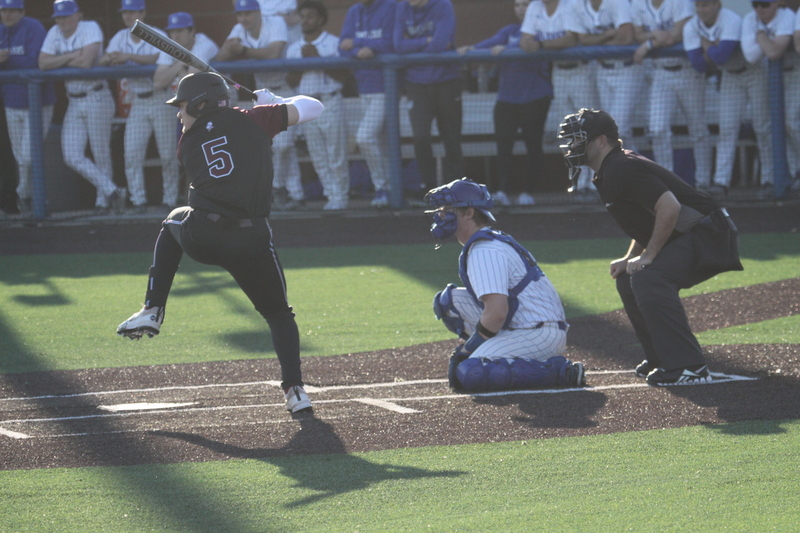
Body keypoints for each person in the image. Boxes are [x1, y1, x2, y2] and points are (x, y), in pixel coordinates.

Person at [116, 72, 324, 414]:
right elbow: (314, 107)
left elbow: (226, 133)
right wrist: (275, 104)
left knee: (172, 221)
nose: (179, 115)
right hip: (253, 239)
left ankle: (153, 309)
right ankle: (295, 391)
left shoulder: (188, 142)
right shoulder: (257, 119)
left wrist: (266, 108)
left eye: (183, 106)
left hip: (204, 237)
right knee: (279, 315)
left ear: (201, 104)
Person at [558, 108, 743, 385]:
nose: (573, 147)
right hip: (694, 232)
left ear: (601, 141)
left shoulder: (622, 166)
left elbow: (669, 207)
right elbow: (648, 221)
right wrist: (630, 257)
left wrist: (649, 256)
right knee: (628, 277)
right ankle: (662, 358)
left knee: (649, 278)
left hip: (710, 234)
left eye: (578, 139)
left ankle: (690, 367)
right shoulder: (610, 168)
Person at [426, 178, 585, 392]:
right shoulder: (484, 243)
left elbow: (497, 312)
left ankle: (559, 372)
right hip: (524, 321)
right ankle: (498, 350)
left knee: (472, 372)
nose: (441, 214)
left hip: (538, 332)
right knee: (448, 302)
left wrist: (468, 349)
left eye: (448, 208)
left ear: (469, 212)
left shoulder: (485, 250)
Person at [458, 0, 553, 207]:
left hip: (535, 96)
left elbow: (525, 46)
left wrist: (507, 48)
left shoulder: (544, 29)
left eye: (526, 5)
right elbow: (492, 42)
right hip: (507, 98)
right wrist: (472, 48)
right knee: (503, 143)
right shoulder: (510, 30)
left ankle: (529, 191)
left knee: (533, 143)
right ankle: (501, 190)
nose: (521, 9)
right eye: (518, 5)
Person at [39, 0, 125, 214]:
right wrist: (70, 56)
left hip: (96, 95)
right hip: (74, 100)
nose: (63, 21)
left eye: (67, 16)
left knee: (100, 153)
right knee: (71, 155)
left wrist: (59, 60)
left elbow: (87, 62)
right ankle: (112, 190)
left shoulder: (90, 27)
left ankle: (102, 202)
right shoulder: (54, 32)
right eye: (59, 17)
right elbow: (42, 63)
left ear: (78, 15)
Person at [217, 0, 302, 211]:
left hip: (284, 89)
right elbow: (220, 57)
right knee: (279, 146)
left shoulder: (275, 24)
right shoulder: (239, 29)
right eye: (240, 15)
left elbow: (273, 52)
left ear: (258, 12)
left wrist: (242, 49)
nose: (244, 19)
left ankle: (281, 188)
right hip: (262, 93)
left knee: (284, 145)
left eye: (248, 14)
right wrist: (231, 49)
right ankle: (294, 194)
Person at [98, 0, 176, 214]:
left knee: (168, 154)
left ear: (143, 12)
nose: (128, 16)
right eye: (125, 12)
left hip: (161, 99)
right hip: (138, 101)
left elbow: (157, 58)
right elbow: (103, 60)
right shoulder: (119, 37)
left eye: (133, 12)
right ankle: (138, 200)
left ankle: (169, 200)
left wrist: (128, 57)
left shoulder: (157, 33)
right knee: (131, 154)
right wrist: (111, 58)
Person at [683, 0, 764, 197]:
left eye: (706, 5)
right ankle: (721, 181)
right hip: (729, 75)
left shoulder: (731, 19)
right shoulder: (691, 25)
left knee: (763, 127)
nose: (702, 10)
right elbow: (699, 65)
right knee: (726, 128)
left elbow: (721, 56)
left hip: (755, 72)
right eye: (699, 6)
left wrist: (706, 44)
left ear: (717, 5)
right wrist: (714, 49)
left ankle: (770, 179)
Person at [631, 0, 712, 189]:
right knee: (657, 129)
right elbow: (637, 34)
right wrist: (654, 34)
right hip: (661, 72)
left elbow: (676, 35)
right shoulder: (637, 4)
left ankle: (703, 182)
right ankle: (667, 182)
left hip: (687, 71)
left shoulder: (680, 2)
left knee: (698, 129)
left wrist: (649, 42)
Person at [286, 0, 352, 210]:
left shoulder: (333, 43)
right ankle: (330, 195)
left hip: (330, 100)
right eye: (302, 16)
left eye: (310, 16)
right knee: (318, 157)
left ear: (321, 20)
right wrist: (305, 63)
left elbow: (346, 77)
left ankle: (340, 196)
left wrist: (317, 59)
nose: (305, 20)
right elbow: (291, 81)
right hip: (306, 105)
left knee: (336, 154)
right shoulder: (294, 48)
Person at [394, 0, 463, 200]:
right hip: (416, 83)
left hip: (447, 81)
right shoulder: (402, 8)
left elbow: (440, 44)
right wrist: (425, 41)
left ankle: (455, 190)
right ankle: (429, 187)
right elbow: (398, 45)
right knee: (420, 137)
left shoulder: (443, 5)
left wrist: (414, 45)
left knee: (451, 138)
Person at [519, 0, 585, 205]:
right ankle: (578, 183)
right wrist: (530, 43)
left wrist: (539, 45)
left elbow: (571, 39)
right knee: (570, 132)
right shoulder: (534, 7)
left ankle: (593, 183)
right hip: (559, 72)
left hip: (582, 70)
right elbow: (525, 39)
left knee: (587, 129)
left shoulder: (570, 5)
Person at [152, 12, 219, 208]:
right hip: (188, 109)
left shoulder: (203, 44)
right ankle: (184, 200)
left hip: (214, 108)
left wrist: (174, 68)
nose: (176, 36)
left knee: (209, 154)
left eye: (180, 31)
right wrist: (181, 63)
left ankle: (211, 197)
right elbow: (157, 82)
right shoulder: (169, 46)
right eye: (172, 32)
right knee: (185, 155)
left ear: (192, 31)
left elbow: (188, 81)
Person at [568, 0, 645, 159]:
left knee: (619, 127)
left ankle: (637, 168)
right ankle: (636, 166)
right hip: (602, 71)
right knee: (611, 130)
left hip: (626, 69)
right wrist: (608, 34)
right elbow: (584, 40)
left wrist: (597, 40)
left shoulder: (617, 2)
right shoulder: (577, 5)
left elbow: (626, 37)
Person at [0, 0, 56, 215]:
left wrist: (7, 59)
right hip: (11, 102)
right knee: (21, 158)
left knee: (28, 156)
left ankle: (24, 194)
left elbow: (36, 62)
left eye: (13, 11)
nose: (8, 15)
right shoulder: (1, 30)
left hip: (37, 103)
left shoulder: (33, 27)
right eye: (4, 11)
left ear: (22, 11)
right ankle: (32, 201)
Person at [339, 0, 396, 208]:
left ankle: (383, 187)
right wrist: (356, 50)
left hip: (387, 87)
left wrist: (356, 44)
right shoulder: (354, 11)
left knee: (365, 137)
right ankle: (389, 189)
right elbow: (341, 47)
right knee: (379, 141)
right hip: (364, 86)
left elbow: (392, 42)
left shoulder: (391, 6)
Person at [741, 0, 794, 198]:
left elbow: (773, 52)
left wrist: (760, 35)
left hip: (792, 74)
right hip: (766, 77)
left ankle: (796, 171)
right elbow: (751, 56)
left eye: (765, 4)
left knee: (792, 125)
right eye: (756, 5)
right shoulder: (749, 19)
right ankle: (771, 177)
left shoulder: (786, 15)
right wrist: (767, 40)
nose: (760, 10)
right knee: (763, 127)